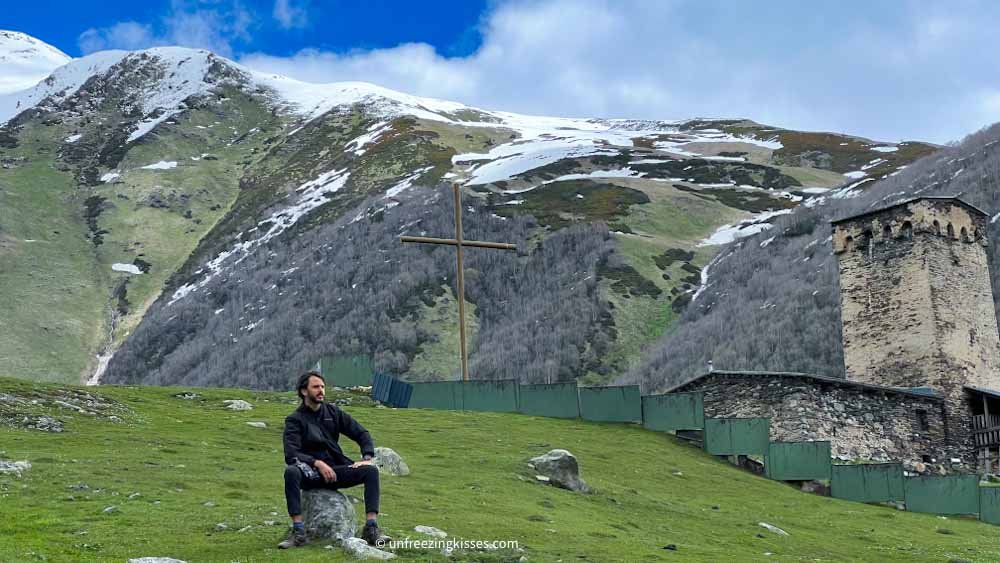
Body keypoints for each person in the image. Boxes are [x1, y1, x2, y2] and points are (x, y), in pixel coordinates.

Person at [279, 370, 389, 549]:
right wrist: (316, 463)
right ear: (304, 391)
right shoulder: (295, 420)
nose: (321, 390)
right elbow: (291, 453)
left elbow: (361, 433)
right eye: (316, 387)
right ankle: (298, 532)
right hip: (310, 474)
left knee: (370, 471)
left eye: (322, 386)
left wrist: (367, 457)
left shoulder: (333, 412)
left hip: (336, 470)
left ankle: (371, 528)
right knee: (291, 472)